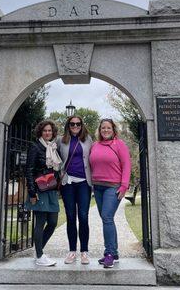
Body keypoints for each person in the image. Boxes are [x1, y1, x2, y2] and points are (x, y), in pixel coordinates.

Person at [89, 118, 131, 268]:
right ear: (99, 130)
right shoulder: (95, 145)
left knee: (107, 217)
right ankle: (115, 253)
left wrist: (124, 185)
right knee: (107, 218)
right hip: (98, 187)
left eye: (108, 128)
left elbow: (126, 165)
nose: (105, 130)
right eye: (102, 128)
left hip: (113, 187)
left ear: (113, 130)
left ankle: (109, 254)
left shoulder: (119, 144)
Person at [24, 120, 62, 266]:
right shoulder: (35, 147)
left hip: (51, 189)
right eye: (45, 130)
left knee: (52, 223)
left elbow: (55, 168)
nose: (47, 133)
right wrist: (32, 192)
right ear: (40, 132)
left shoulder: (52, 147)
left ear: (53, 133)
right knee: (40, 222)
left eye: (50, 131)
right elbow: (29, 170)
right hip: (39, 190)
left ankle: (39, 250)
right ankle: (39, 256)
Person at [57, 115, 93, 265]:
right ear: (68, 125)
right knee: (71, 217)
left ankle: (84, 251)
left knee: (83, 216)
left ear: (82, 125)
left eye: (78, 124)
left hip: (84, 182)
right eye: (72, 124)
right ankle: (72, 251)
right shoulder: (60, 140)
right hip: (68, 183)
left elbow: (94, 157)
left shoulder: (88, 139)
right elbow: (53, 156)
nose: (75, 126)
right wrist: (59, 171)